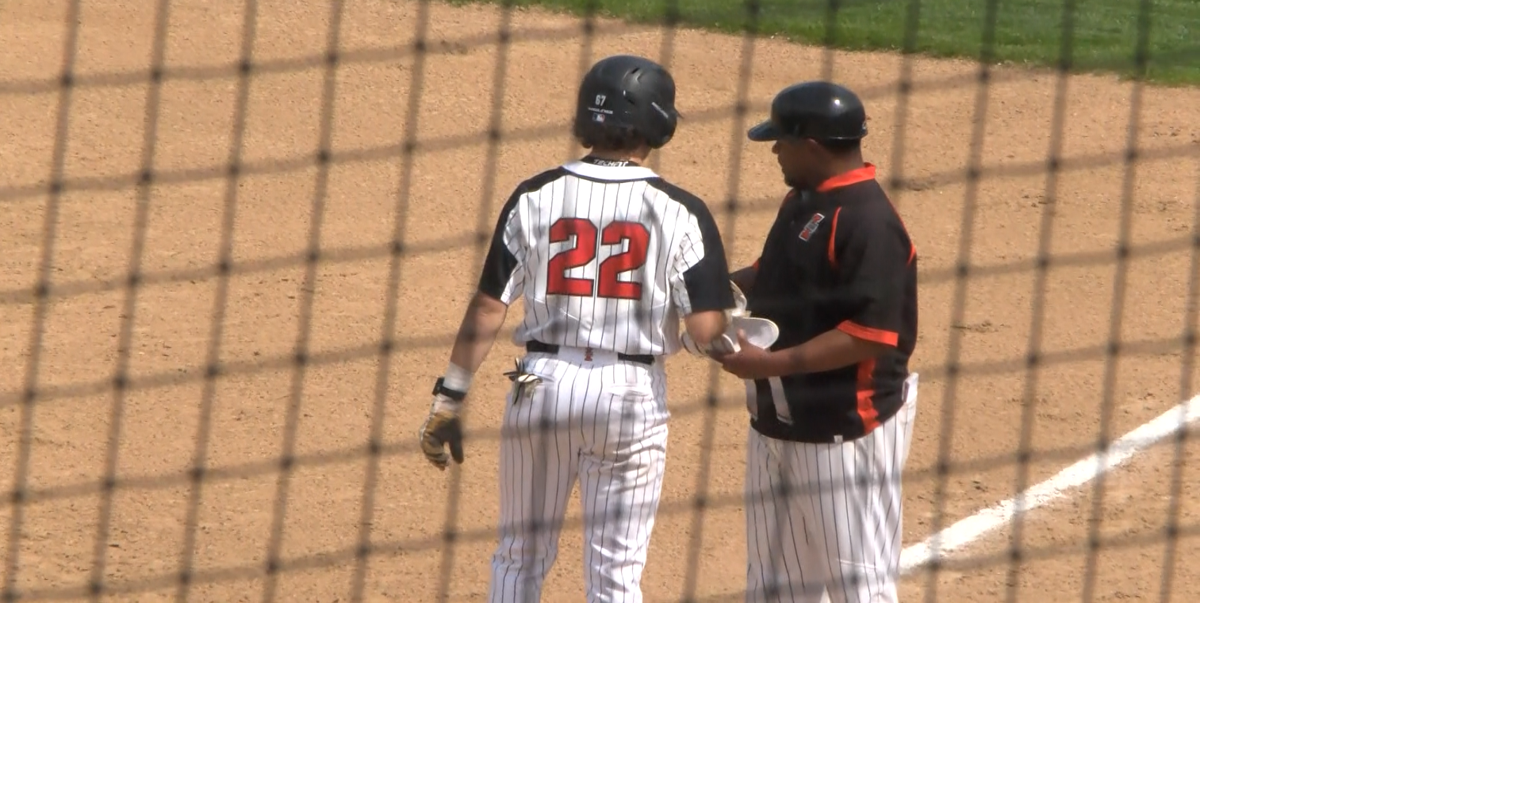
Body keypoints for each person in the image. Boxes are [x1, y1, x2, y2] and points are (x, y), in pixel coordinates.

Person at [419, 54, 739, 603]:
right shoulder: (682, 209)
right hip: (629, 397)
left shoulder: (534, 193)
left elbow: (486, 308)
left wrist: (449, 399)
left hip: (537, 385)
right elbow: (708, 332)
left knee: (518, 557)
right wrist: (717, 325)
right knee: (615, 575)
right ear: (658, 123)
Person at [711, 80, 920, 603]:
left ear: (812, 145)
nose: (774, 150)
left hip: (842, 434)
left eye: (780, 140)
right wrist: (712, 291)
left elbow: (871, 336)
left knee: (859, 587)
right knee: (773, 587)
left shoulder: (869, 223)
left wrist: (770, 364)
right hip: (777, 423)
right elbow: (773, 269)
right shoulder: (802, 199)